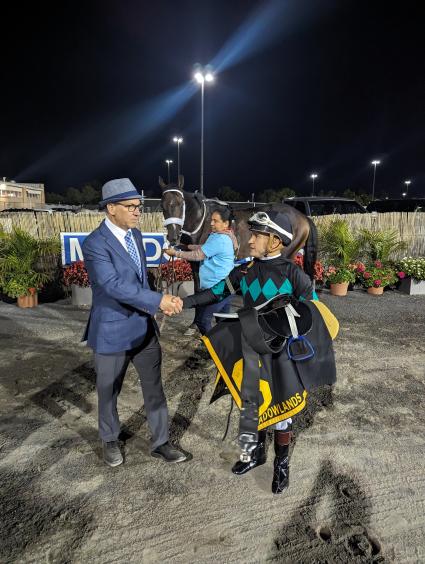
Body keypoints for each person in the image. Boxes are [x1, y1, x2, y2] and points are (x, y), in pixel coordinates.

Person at [182, 210, 336, 494]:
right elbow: (216, 293)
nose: (249, 240)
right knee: (253, 403)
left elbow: (316, 313)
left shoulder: (294, 274)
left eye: (256, 235)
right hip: (251, 350)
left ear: (275, 241)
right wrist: (184, 302)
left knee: (282, 413)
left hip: (282, 356)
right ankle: (255, 454)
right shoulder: (244, 271)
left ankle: (281, 464)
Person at [82, 178, 188, 467]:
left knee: (154, 387)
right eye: (130, 206)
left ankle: (161, 442)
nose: (137, 211)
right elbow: (112, 285)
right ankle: (110, 440)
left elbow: (140, 279)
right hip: (111, 331)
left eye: (138, 206)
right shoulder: (94, 243)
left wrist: (158, 299)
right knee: (108, 391)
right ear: (111, 208)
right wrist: (158, 301)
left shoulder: (136, 236)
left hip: (143, 329)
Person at [164, 207, 237, 336]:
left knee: (202, 321)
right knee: (222, 320)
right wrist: (187, 247)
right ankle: (227, 348)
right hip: (226, 286)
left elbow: (198, 255)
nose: (212, 223)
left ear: (226, 224)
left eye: (216, 221)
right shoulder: (223, 235)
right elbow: (205, 248)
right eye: (211, 220)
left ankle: (216, 349)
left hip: (217, 288)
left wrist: (176, 252)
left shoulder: (220, 239)